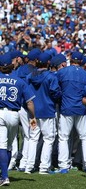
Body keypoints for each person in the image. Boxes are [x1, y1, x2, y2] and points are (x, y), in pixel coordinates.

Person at [0, 53, 37, 186]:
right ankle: (4, 175)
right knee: (9, 146)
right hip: (14, 114)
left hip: (0, 113)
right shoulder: (19, 80)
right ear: (11, 65)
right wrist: (32, 118)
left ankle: (4, 176)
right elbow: (30, 103)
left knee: (2, 146)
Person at [25, 52, 62, 174]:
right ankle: (43, 167)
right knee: (48, 139)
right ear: (48, 63)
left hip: (33, 111)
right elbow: (55, 93)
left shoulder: (30, 76)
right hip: (47, 110)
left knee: (33, 139)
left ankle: (28, 166)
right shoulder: (51, 77)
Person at [56, 51, 86, 173]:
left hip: (66, 107)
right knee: (85, 137)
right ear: (81, 61)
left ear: (70, 60)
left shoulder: (62, 72)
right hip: (81, 108)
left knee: (63, 137)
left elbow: (56, 88)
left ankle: (63, 165)